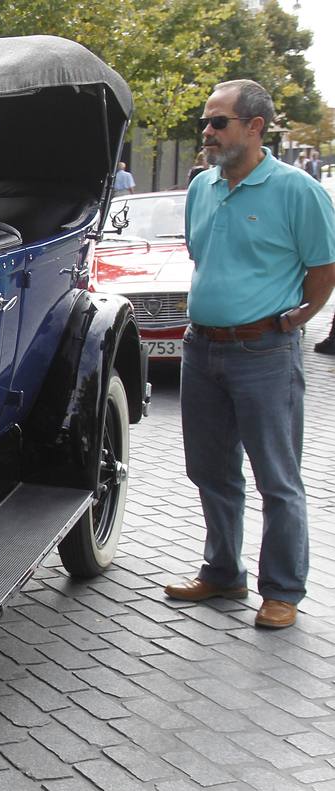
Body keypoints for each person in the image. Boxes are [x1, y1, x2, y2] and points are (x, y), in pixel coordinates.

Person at [166, 79, 335, 629]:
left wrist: (303, 316)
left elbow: (323, 266)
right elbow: (201, 256)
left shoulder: (296, 191)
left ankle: (283, 589)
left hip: (265, 352)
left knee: (277, 478)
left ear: (255, 127)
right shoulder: (201, 187)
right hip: (202, 349)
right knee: (210, 470)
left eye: (219, 122)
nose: (208, 132)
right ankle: (222, 572)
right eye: (206, 123)